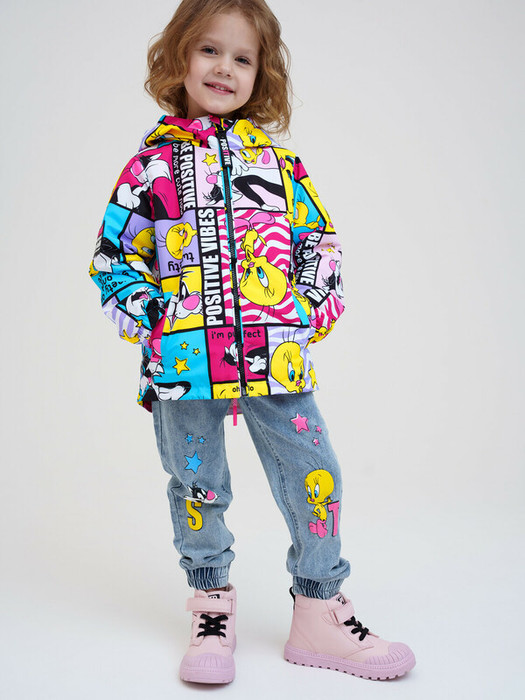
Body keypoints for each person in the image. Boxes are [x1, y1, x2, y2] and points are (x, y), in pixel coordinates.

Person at [89, 0, 415, 685]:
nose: (224, 68)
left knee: (315, 474)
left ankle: (318, 610)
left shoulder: (280, 163)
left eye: (242, 58)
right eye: (209, 50)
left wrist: (304, 310)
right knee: (198, 484)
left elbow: (317, 243)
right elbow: (113, 258)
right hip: (183, 363)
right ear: (179, 57)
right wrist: (158, 317)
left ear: (260, 74)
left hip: (276, 356)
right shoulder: (149, 167)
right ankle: (210, 604)